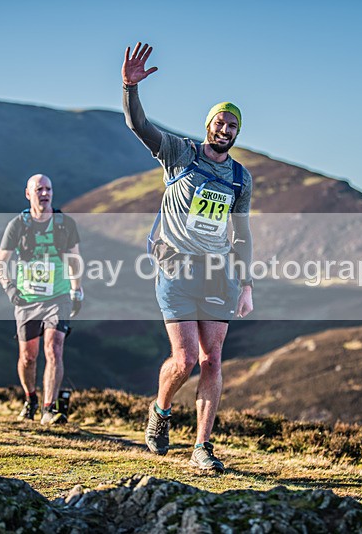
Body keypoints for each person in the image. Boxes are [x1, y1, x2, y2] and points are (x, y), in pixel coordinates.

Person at [122, 42, 254, 472]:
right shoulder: (180, 153)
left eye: (233, 125)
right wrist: (130, 88)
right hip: (176, 268)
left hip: (219, 274)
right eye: (221, 120)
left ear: (237, 133)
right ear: (209, 125)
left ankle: (202, 447)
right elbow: (138, 125)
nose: (226, 128)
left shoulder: (239, 178)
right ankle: (160, 412)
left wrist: (246, 282)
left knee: (212, 359)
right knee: (184, 360)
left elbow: (242, 230)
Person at [0, 173, 84, 425]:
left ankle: (48, 408)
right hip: (26, 298)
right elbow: (0, 263)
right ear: (28, 193)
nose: (44, 194)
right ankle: (30, 398)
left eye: (49, 189)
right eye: (39, 189)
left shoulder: (64, 223)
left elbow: (74, 259)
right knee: (28, 357)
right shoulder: (18, 225)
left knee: (54, 349)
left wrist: (77, 290)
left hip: (58, 296)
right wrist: (9, 287)